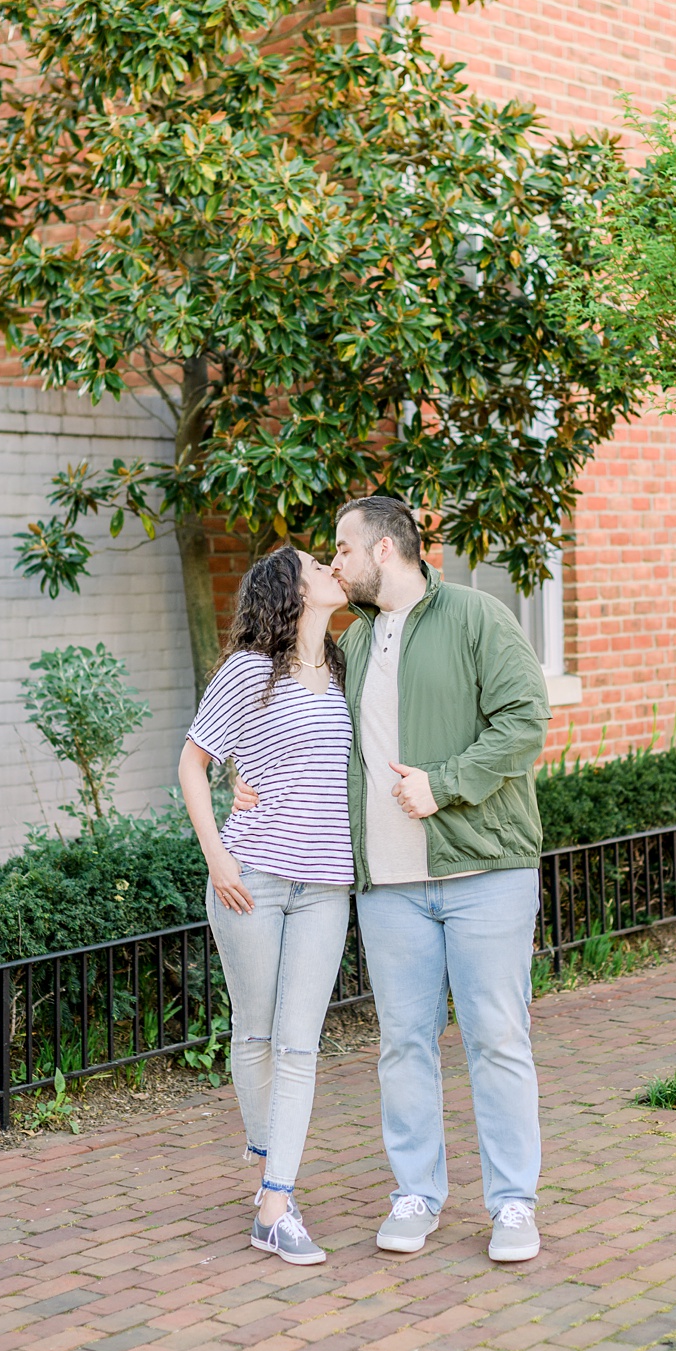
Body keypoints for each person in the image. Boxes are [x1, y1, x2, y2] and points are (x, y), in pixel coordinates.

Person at [330, 495, 552, 1263]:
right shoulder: (354, 644)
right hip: (387, 884)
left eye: (343, 548)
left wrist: (445, 783)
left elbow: (525, 718)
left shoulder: (476, 616)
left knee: (496, 1039)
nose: (336, 563)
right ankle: (417, 1192)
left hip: (485, 871)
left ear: (385, 550)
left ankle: (514, 1204)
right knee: (403, 1045)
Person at [179, 545, 357, 1267]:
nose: (331, 571)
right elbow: (193, 761)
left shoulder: (346, 667)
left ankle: (276, 1201)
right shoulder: (249, 672)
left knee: (300, 1042)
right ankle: (268, 1184)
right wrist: (218, 856)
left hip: (326, 886)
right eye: (318, 565)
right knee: (254, 1034)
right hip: (251, 877)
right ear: (291, 591)